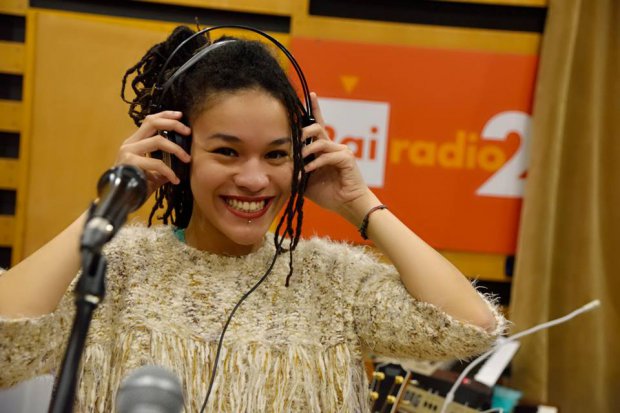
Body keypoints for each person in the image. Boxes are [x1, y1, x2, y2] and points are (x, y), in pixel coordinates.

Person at [0, 26, 504, 412]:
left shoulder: (332, 280)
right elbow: (5, 345)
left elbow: (470, 327)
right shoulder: (114, 267)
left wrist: (360, 203)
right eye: (227, 151)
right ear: (177, 152)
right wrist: (112, 201)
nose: (254, 179)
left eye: (276, 155)